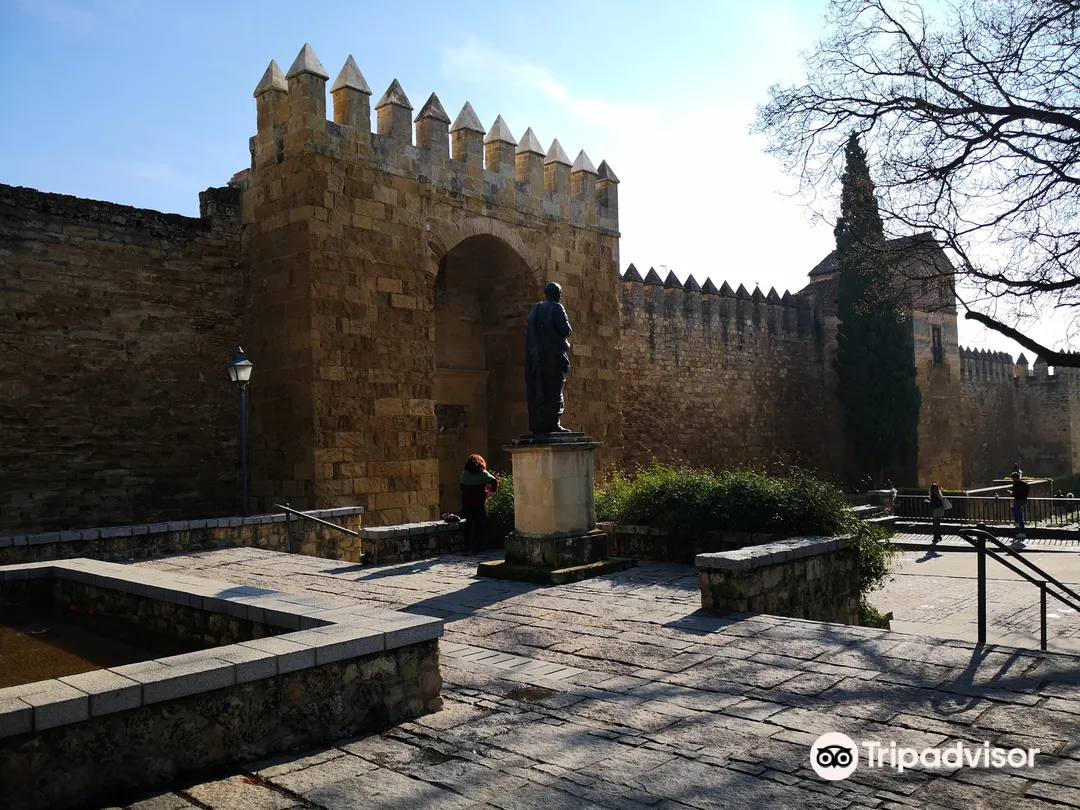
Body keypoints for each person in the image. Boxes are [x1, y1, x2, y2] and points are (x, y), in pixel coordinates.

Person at [525, 282, 573, 434]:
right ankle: (553, 424)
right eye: (560, 293)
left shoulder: (536, 309)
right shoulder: (557, 307)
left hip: (538, 358)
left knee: (541, 389)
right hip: (553, 357)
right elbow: (566, 329)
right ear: (556, 293)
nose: (560, 296)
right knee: (555, 389)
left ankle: (540, 424)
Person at [460, 454, 499, 552]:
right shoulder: (483, 473)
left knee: (468, 524)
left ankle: (467, 545)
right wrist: (489, 492)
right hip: (479, 502)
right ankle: (479, 546)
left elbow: (461, 486)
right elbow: (494, 481)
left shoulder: (465, 473)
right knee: (479, 524)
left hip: (467, 503)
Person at [1010, 471, 1030, 541]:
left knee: (1018, 515)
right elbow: (1026, 493)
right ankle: (1018, 523)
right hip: (1023, 500)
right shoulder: (1025, 484)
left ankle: (1021, 529)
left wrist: (1010, 493)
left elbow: (1014, 494)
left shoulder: (1016, 485)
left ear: (1015, 478)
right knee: (1014, 509)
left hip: (1018, 500)